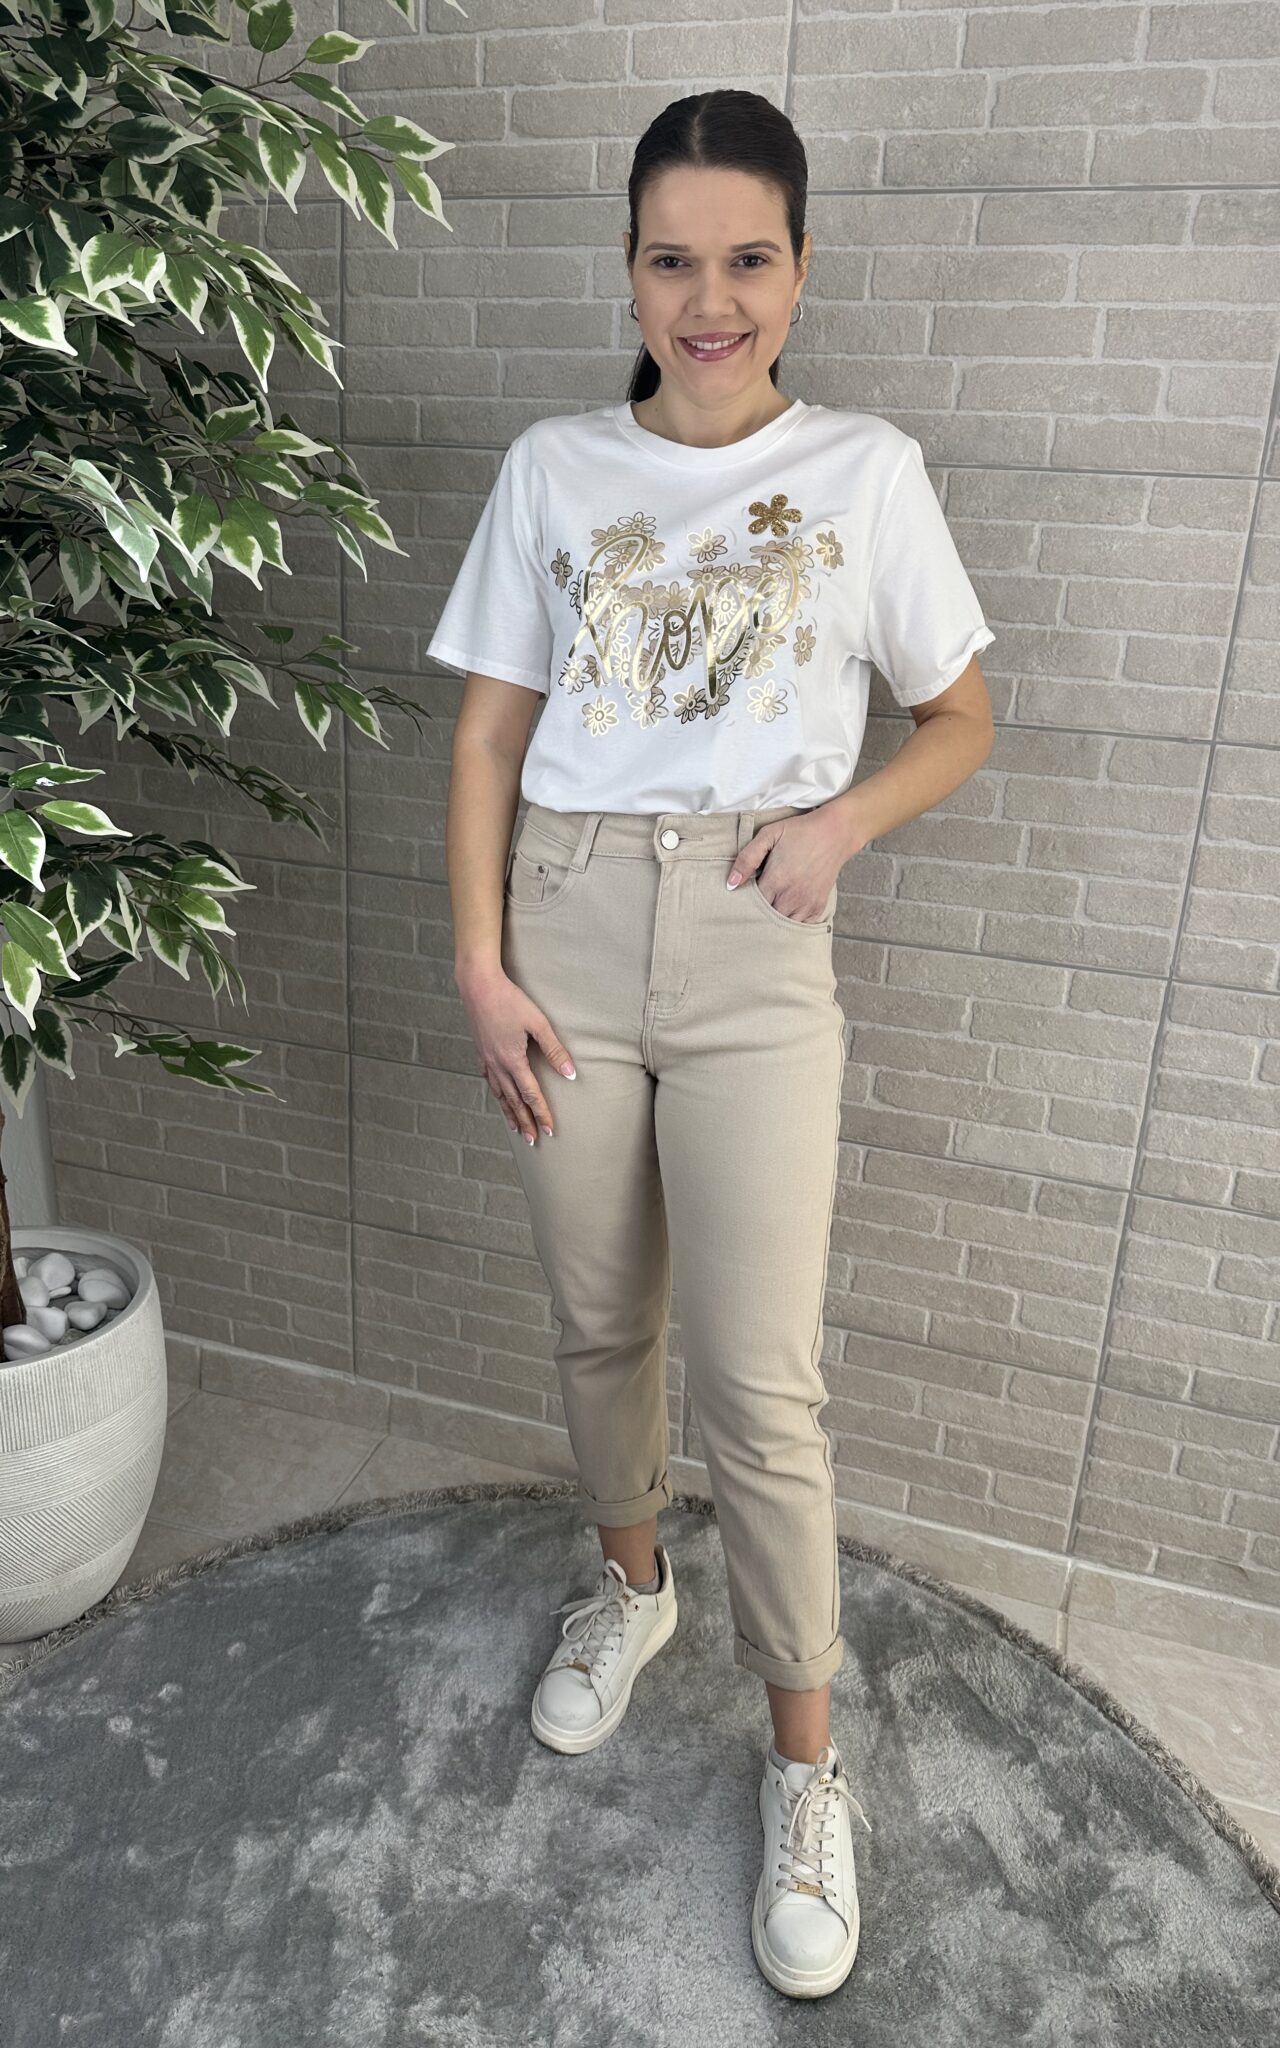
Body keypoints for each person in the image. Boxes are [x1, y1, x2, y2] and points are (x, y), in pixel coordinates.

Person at [427, 88, 995, 2002]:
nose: (710, 298)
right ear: (629, 274)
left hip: (759, 944)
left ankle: (805, 1765)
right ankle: (632, 1589)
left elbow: (960, 715)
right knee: (598, 1318)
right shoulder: (555, 469)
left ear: (801, 270)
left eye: (749, 259)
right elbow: (489, 734)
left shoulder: (865, 472)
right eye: (673, 260)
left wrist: (839, 825)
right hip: (569, 923)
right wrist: (482, 965)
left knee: (762, 1380)